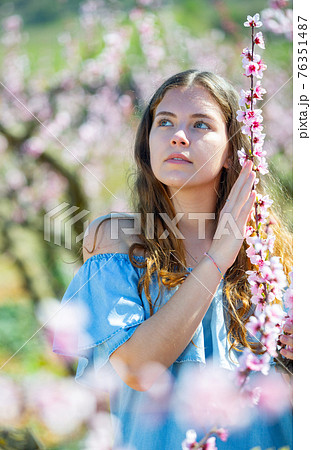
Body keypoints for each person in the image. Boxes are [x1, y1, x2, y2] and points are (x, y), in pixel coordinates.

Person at [53, 70, 293, 449]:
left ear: (232, 152)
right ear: (148, 142)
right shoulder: (117, 240)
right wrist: (219, 256)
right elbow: (137, 367)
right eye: (165, 122)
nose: (178, 136)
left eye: (200, 124)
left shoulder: (276, 257)